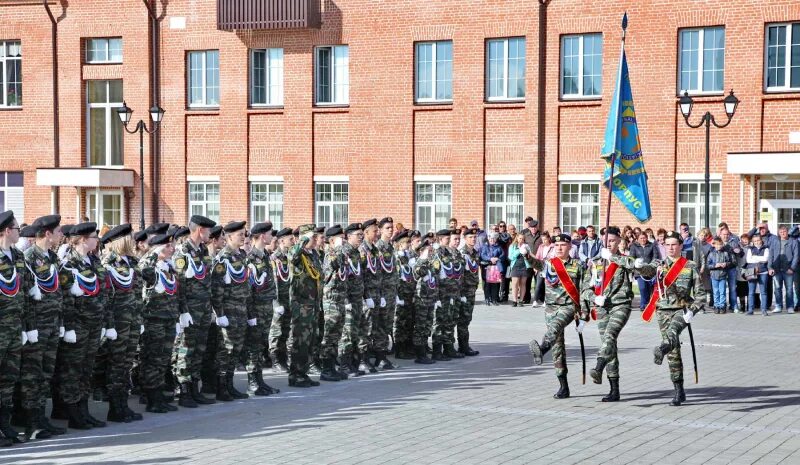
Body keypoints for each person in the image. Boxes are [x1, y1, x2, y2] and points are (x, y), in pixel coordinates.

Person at [55, 221, 108, 429]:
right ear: (84, 239)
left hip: (93, 323)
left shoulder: (93, 262)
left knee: (87, 369)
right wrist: (68, 327)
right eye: (95, 236)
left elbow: (103, 291)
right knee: (73, 370)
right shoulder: (69, 264)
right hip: (77, 326)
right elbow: (65, 299)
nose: (97, 240)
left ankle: (84, 410)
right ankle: (73, 413)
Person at [16, 215, 65, 439]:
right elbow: (24, 294)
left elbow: (57, 291)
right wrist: (29, 326)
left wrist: (61, 322)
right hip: (37, 325)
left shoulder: (52, 256)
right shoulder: (28, 257)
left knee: (46, 373)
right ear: (47, 233)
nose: (61, 235)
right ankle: (31, 423)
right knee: (32, 374)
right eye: (58, 231)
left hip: (52, 323)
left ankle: (41, 418)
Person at [647, 231, 706, 406]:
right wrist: (635, 262)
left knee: (671, 334)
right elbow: (644, 271)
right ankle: (679, 390)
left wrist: (693, 311)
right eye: (667, 245)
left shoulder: (690, 265)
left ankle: (662, 348)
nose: (671, 248)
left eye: (674, 244)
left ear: (681, 246)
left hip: (681, 309)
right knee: (674, 352)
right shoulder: (658, 264)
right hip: (663, 310)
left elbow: (701, 294)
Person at [585, 227, 643, 402]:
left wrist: (612, 257)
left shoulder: (624, 260)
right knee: (609, 345)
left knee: (610, 336)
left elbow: (636, 266)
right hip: (603, 308)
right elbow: (585, 289)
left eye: (611, 240)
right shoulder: (595, 262)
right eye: (605, 241)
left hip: (620, 305)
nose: (608, 244)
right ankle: (614, 389)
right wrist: (594, 298)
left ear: (619, 241)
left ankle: (598, 365)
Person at [528, 233, 589, 399]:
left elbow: (585, 290)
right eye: (556, 246)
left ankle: (542, 348)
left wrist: (584, 315)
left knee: (554, 329)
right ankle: (563, 387)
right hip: (550, 308)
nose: (559, 248)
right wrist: (526, 254)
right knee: (558, 348)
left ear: (570, 246)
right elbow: (535, 263)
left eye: (563, 245)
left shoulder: (578, 265)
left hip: (569, 308)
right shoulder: (549, 264)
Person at [99, 224, 144, 423]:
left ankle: (123, 404)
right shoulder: (108, 263)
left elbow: (137, 293)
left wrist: (139, 319)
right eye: (130, 237)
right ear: (122, 241)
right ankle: (115, 408)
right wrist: (108, 324)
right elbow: (106, 298)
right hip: (118, 322)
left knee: (125, 363)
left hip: (132, 320)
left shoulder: (132, 262)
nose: (134, 241)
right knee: (116, 364)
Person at [171, 215, 218, 407]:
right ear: (200, 230)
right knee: (186, 349)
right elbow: (179, 285)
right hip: (190, 310)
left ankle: (194, 388)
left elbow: (207, 281)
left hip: (204, 308)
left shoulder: (202, 250)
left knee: (199, 349)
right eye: (208, 230)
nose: (210, 234)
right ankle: (183, 391)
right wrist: (183, 311)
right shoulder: (182, 253)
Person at [137, 233, 180, 414]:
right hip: (153, 319)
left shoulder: (168, 266)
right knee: (152, 359)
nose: (172, 249)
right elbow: (142, 271)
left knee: (163, 359)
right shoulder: (149, 264)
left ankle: (159, 394)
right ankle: (151, 397)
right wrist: (154, 253)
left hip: (169, 318)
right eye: (167, 246)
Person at [211, 221, 251, 400]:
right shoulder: (223, 258)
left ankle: (229, 384)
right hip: (228, 311)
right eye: (239, 235)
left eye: (243, 234)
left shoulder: (240, 256)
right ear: (228, 237)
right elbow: (217, 289)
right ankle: (221, 387)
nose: (243, 237)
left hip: (240, 310)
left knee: (236, 349)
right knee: (225, 350)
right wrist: (220, 314)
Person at [0, 211, 29, 445]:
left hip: (14, 326)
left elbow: (24, 290)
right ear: (7, 231)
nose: (19, 232)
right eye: (17, 228)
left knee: (9, 378)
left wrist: (27, 326)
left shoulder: (18, 255)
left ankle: (5, 424)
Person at [244, 222, 281, 393]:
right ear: (261, 236)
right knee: (254, 345)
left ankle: (260, 379)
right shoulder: (250, 258)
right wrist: (251, 314)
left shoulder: (265, 255)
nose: (272, 236)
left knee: (261, 345)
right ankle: (253, 381)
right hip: (256, 309)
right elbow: (248, 290)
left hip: (266, 307)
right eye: (269, 233)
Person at [286, 224, 322, 387]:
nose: (315, 240)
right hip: (301, 304)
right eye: (312, 237)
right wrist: (302, 241)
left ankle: (304, 372)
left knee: (310, 340)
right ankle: (295, 375)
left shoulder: (313, 254)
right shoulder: (297, 252)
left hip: (313, 303)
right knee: (300, 341)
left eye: (315, 237)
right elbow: (292, 256)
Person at [339, 223, 367, 376]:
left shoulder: (356, 253)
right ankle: (344, 365)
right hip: (348, 299)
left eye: (362, 235)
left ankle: (352, 364)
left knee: (355, 332)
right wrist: (345, 300)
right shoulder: (344, 252)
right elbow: (341, 278)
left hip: (357, 298)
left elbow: (359, 276)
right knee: (347, 333)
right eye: (358, 235)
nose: (361, 237)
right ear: (348, 236)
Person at [268, 228, 293, 373]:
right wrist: (276, 304)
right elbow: (273, 283)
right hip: (279, 302)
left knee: (286, 331)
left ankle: (283, 359)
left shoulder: (289, 257)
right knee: (276, 331)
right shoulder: (274, 258)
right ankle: (275, 360)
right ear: (282, 241)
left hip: (288, 299)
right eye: (290, 239)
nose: (293, 241)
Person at [374, 217, 397, 370]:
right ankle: (379, 357)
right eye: (387, 227)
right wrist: (380, 294)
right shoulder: (378, 248)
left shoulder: (390, 247)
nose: (391, 230)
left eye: (392, 227)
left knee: (387, 324)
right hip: (382, 293)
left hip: (391, 292)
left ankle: (382, 357)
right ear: (380, 230)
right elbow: (376, 273)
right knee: (381, 326)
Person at [358, 219, 381, 373]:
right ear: (366, 232)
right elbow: (360, 276)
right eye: (374, 231)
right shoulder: (362, 250)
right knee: (364, 329)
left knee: (373, 327)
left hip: (375, 293)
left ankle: (369, 357)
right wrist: (366, 296)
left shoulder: (373, 249)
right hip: (366, 295)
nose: (377, 233)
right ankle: (362, 359)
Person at [411, 238, 436, 364]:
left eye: (431, 250)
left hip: (430, 299)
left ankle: (424, 350)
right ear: (421, 251)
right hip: (421, 300)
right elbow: (416, 273)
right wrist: (423, 258)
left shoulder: (430, 263)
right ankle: (419, 354)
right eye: (428, 250)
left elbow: (434, 281)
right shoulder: (418, 262)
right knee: (420, 327)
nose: (431, 252)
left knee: (427, 326)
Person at [457, 228, 480, 356]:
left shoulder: (475, 253)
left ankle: (464, 345)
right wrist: (461, 293)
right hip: (464, 291)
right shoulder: (462, 253)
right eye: (470, 237)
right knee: (463, 319)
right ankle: (463, 346)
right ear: (465, 239)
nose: (473, 239)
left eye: (475, 237)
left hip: (472, 290)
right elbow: (459, 274)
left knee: (467, 318)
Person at [768, 225, 797, 314]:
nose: (783, 233)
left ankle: (790, 307)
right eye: (781, 232)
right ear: (778, 233)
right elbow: (771, 255)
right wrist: (770, 267)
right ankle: (778, 306)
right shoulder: (775, 242)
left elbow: (796, 256)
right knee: (777, 289)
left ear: (787, 231)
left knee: (789, 289)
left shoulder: (793, 242)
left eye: (784, 231)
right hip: (776, 269)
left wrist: (792, 268)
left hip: (788, 269)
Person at [629, 231, 660, 312]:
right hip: (639, 272)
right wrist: (636, 263)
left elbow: (655, 256)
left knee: (649, 289)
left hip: (650, 271)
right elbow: (631, 257)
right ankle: (643, 305)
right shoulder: (634, 246)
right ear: (638, 239)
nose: (643, 239)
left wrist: (651, 265)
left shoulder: (652, 245)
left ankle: (649, 304)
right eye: (641, 238)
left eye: (644, 238)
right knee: (642, 288)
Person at [707, 236, 735, 314]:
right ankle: (716, 305)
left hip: (722, 275)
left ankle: (722, 306)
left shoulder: (725, 253)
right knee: (716, 292)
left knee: (722, 291)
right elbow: (708, 265)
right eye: (717, 245)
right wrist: (715, 265)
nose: (719, 246)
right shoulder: (711, 254)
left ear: (722, 245)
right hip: (714, 276)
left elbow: (730, 262)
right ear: (714, 245)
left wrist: (725, 264)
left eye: (720, 245)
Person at [720, 227, 743, 313]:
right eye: (724, 234)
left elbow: (741, 254)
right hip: (720, 269)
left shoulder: (734, 242)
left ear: (729, 235)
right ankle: (721, 306)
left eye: (727, 234)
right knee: (721, 289)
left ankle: (734, 306)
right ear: (720, 234)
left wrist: (739, 251)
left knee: (732, 288)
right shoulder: (717, 242)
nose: (725, 236)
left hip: (732, 268)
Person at [746, 234, 770, 316]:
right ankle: (750, 310)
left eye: (758, 240)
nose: (757, 242)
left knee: (763, 292)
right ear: (753, 241)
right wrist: (760, 259)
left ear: (761, 240)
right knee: (751, 292)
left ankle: (764, 310)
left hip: (763, 272)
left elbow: (766, 259)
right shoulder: (750, 249)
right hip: (751, 271)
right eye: (755, 241)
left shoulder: (766, 248)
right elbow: (748, 260)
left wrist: (755, 257)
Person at [479, 232, 505, 306]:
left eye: (493, 238)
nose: (492, 240)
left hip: (495, 267)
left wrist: (497, 259)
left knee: (495, 284)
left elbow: (503, 255)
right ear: (488, 239)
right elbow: (482, 255)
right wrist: (490, 259)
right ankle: (487, 298)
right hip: (487, 267)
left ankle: (494, 299)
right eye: (490, 238)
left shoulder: (498, 247)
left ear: (496, 239)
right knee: (487, 284)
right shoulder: (484, 246)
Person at [521, 217, 542, 304]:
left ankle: (540, 298)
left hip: (538, 261)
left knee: (539, 282)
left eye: (535, 227)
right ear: (529, 228)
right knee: (527, 281)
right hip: (528, 261)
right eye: (532, 227)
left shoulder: (541, 236)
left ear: (537, 227)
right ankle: (527, 298)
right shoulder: (525, 236)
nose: (533, 229)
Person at [507, 233, 532, 307]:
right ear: (517, 238)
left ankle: (521, 301)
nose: (521, 240)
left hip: (524, 266)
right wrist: (519, 251)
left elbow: (530, 256)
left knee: (523, 284)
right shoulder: (512, 246)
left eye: (523, 239)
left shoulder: (526, 246)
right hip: (515, 266)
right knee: (515, 284)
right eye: (520, 238)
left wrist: (526, 253)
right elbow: (511, 257)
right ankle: (514, 301)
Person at [532, 232, 555, 307]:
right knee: (538, 284)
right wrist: (535, 267)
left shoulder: (553, 246)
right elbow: (537, 257)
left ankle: (546, 301)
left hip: (549, 267)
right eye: (542, 240)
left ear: (549, 238)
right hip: (541, 267)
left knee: (547, 285)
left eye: (545, 239)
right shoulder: (541, 246)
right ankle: (535, 300)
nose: (543, 241)